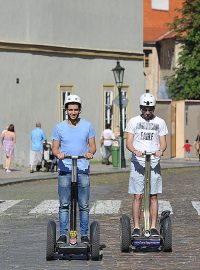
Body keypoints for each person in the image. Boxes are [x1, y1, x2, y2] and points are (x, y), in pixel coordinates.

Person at [52, 94, 96, 244]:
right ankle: (63, 234)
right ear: (66, 110)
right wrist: (59, 154)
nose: (73, 112)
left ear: (79, 110)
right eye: (70, 109)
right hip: (65, 171)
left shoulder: (87, 126)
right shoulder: (59, 127)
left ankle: (84, 235)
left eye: (75, 110)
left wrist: (90, 152)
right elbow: (55, 148)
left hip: (82, 169)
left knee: (83, 205)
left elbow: (93, 145)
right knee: (64, 204)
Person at [125, 92, 168, 237]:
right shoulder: (133, 121)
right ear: (140, 108)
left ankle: (153, 227)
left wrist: (160, 150)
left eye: (150, 109)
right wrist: (135, 150)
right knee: (138, 196)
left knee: (153, 196)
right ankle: (137, 227)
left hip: (154, 163)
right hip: (138, 163)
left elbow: (163, 142)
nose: (148, 112)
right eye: (145, 109)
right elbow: (129, 142)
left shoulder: (160, 122)